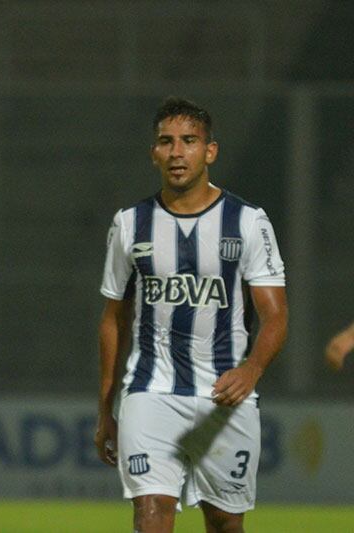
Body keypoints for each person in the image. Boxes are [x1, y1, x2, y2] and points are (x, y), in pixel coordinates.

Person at [93, 97, 288, 533]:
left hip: (224, 398)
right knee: (150, 514)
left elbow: (275, 316)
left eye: (189, 141)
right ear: (154, 153)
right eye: (166, 142)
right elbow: (113, 318)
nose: (177, 152)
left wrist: (252, 369)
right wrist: (107, 406)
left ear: (210, 151)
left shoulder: (248, 222)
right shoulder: (130, 224)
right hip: (150, 391)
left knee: (224, 523)